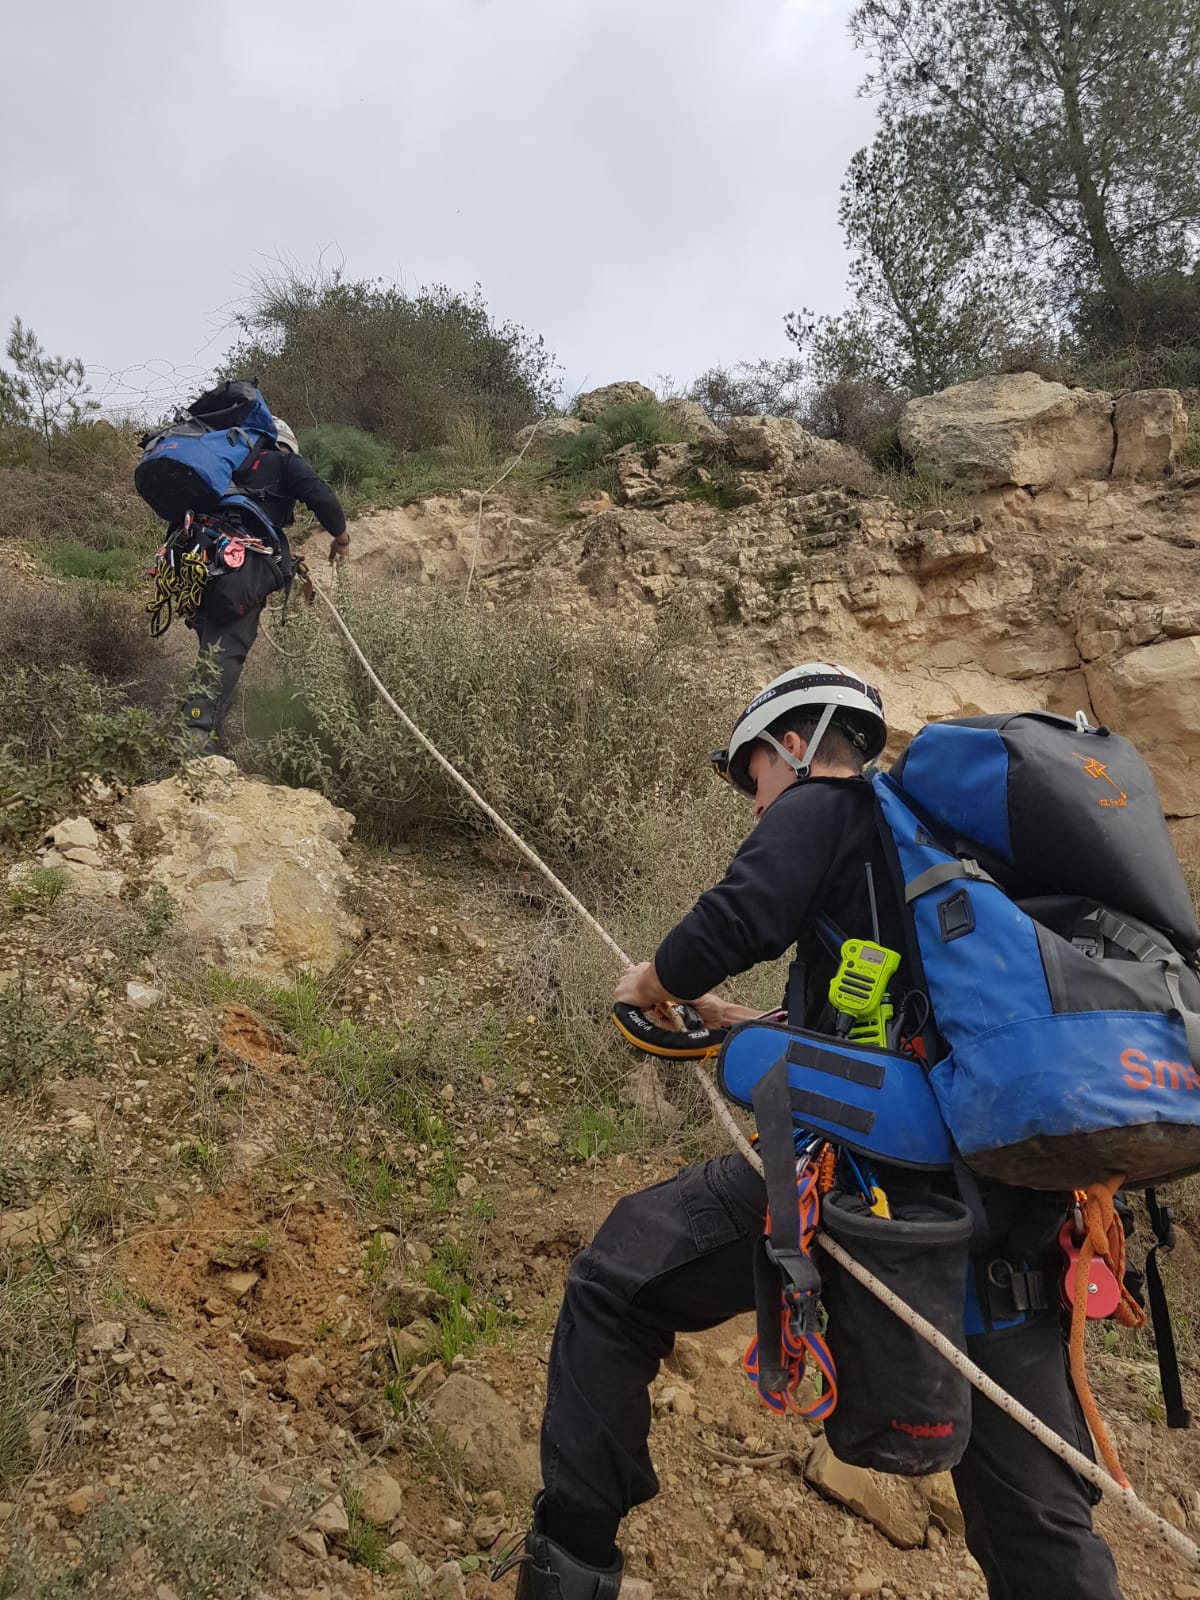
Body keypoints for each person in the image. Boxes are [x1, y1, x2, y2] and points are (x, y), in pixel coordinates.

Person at [511, 664, 1123, 1600]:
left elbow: (735, 918)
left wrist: (655, 983)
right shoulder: (944, 861)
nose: (756, 804)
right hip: (1013, 1211)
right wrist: (736, 1020)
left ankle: (572, 1568)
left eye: (752, 774)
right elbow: (898, 1031)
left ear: (792, 745)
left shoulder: (826, 805)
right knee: (1037, 1524)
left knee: (616, 1278)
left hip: (870, 1184)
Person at [183, 417, 349, 751]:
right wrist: (341, 537)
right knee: (226, 649)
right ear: (283, 443)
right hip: (237, 567)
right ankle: (195, 744)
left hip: (196, 563)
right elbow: (320, 495)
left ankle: (209, 735)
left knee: (213, 648)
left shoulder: (225, 468)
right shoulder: (283, 461)